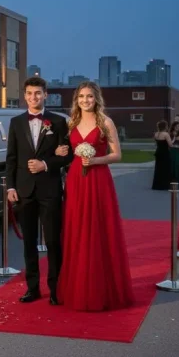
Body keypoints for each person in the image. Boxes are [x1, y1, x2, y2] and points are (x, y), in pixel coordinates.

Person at [54, 82, 134, 312]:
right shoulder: (71, 123)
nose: (85, 100)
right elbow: (66, 152)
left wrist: (96, 160)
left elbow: (117, 155)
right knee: (77, 230)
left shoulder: (105, 122)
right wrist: (60, 152)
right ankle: (77, 287)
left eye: (89, 96)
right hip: (76, 181)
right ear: (76, 99)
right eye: (81, 97)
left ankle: (102, 289)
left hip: (99, 181)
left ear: (96, 98)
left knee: (99, 231)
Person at [5, 76, 72, 306]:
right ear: (24, 95)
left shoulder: (58, 122)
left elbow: (67, 155)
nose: (34, 97)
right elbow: (11, 158)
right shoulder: (15, 123)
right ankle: (32, 288)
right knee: (28, 243)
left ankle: (56, 289)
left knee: (53, 242)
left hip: (50, 190)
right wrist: (11, 186)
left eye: (38, 93)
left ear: (46, 94)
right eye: (30, 93)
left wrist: (46, 164)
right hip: (24, 190)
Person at [152, 120, 173, 190]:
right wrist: (174, 140)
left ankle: (158, 184)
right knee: (166, 168)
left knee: (158, 169)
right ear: (165, 126)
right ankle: (165, 184)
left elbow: (156, 143)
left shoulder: (156, 134)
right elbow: (170, 144)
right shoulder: (166, 134)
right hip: (165, 153)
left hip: (158, 152)